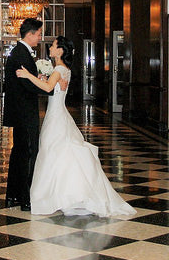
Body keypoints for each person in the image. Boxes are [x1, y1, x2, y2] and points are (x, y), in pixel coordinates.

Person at [16, 36, 136, 217]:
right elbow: (52, 86)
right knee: (56, 153)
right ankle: (62, 196)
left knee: (52, 153)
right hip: (57, 115)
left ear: (61, 51)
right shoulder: (64, 69)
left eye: (54, 46)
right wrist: (42, 77)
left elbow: (48, 88)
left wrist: (28, 76)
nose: (50, 47)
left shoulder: (58, 69)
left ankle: (55, 196)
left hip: (56, 117)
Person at [3, 18, 67, 211]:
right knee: (28, 154)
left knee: (19, 153)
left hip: (21, 112)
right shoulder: (21, 54)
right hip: (24, 113)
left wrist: (39, 78)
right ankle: (25, 198)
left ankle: (13, 195)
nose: (40, 38)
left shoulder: (20, 52)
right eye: (38, 34)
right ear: (30, 34)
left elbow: (28, 81)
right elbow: (26, 84)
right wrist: (50, 87)